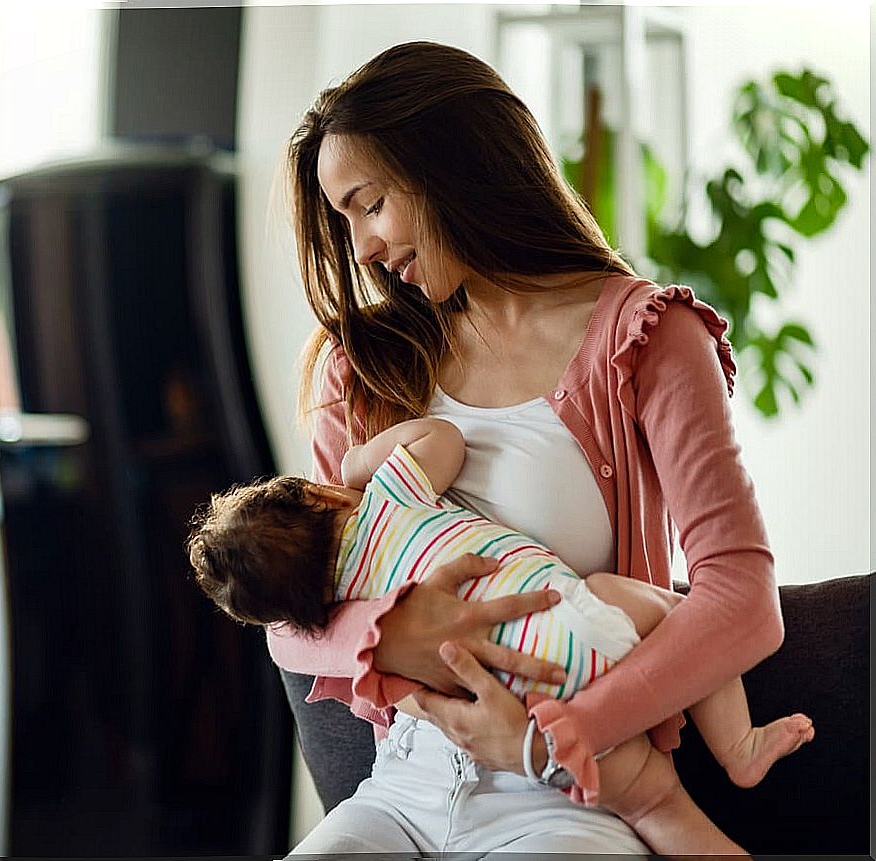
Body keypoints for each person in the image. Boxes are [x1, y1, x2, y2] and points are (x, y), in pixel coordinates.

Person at [264, 40, 788, 855]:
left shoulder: (647, 338)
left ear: (450, 164)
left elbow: (742, 596)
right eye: (344, 221)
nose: (361, 248)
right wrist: (388, 635)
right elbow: (286, 616)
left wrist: (562, 733)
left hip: (572, 793)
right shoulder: (362, 367)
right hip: (402, 787)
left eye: (368, 203)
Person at [187, 417, 812, 854]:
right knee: (676, 614)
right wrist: (358, 463)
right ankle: (738, 746)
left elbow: (301, 642)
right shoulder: (386, 496)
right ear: (321, 495)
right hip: (576, 639)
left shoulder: (349, 609)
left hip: (516, 705)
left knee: (656, 806)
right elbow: (445, 439)